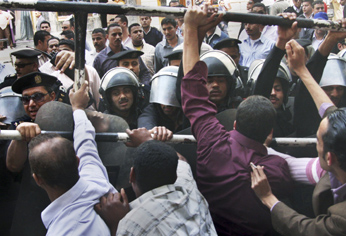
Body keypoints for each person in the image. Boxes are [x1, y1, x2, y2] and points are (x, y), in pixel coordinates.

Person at [251, 40, 346, 235]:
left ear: (329, 158)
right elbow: (331, 113)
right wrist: (302, 70)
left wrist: (268, 197)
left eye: (318, 140)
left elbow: (303, 228)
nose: (314, 141)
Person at [181, 6, 293, 235]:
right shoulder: (276, 169)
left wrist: (191, 28)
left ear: (234, 124)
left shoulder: (213, 144)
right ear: (269, 133)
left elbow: (193, 92)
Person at [28, 81, 116, 235]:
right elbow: (86, 143)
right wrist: (78, 108)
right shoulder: (96, 181)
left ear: (37, 179)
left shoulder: (62, 232)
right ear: (77, 161)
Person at [94, 137, 216, 236]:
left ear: (131, 175)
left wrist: (116, 223)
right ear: (175, 177)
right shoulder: (189, 189)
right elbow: (181, 160)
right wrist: (148, 139)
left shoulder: (131, 224)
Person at [6, 72, 60, 236]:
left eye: (38, 97)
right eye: (25, 99)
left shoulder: (66, 120)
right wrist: (19, 137)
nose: (31, 104)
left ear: (52, 96)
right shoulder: (18, 124)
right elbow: (13, 166)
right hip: (33, 204)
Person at [138, 66, 186, 135]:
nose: (167, 104)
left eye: (172, 96)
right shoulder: (153, 109)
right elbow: (145, 120)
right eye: (164, 96)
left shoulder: (187, 110)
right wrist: (152, 131)